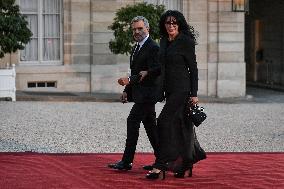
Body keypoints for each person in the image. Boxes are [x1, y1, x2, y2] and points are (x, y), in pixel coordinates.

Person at [146, 10, 206, 180]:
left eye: (174, 23)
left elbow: (193, 69)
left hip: (182, 89)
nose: (171, 26)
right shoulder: (164, 41)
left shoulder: (186, 42)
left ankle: (161, 164)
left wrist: (194, 93)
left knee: (163, 121)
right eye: (168, 23)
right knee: (182, 128)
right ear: (164, 25)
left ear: (179, 24)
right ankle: (186, 164)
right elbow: (161, 66)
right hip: (169, 90)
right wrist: (146, 73)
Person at [108, 16, 160, 171]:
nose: (136, 32)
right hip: (140, 94)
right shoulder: (137, 47)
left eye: (140, 28)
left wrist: (130, 79)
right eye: (134, 29)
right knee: (151, 128)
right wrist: (126, 90)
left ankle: (126, 162)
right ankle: (163, 160)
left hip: (148, 95)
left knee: (132, 121)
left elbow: (155, 71)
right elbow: (135, 72)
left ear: (147, 29)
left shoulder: (153, 47)